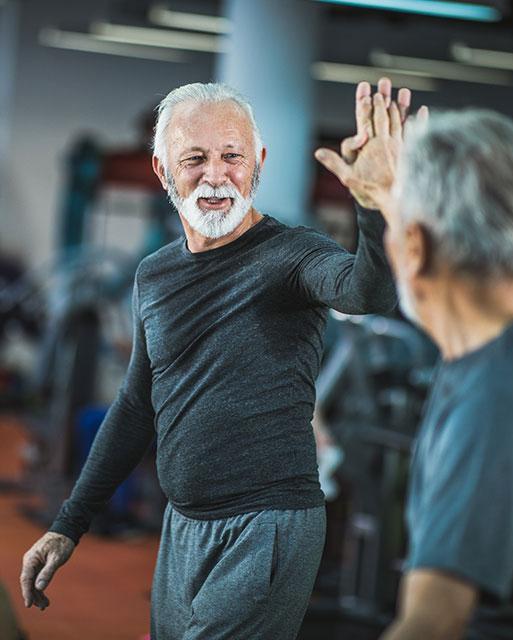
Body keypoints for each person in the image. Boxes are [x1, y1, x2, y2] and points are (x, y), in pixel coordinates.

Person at [20, 79, 417, 640]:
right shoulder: (154, 275)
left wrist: (376, 209)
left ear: (257, 163)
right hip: (182, 528)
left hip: (268, 525)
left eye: (232, 156)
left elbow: (367, 294)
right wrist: (67, 525)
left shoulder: (292, 255)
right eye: (195, 158)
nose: (215, 175)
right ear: (162, 170)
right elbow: (136, 405)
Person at [316, 88, 513, 639]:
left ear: (414, 246)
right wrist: (392, 200)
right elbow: (437, 258)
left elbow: (430, 624)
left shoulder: (499, 402)